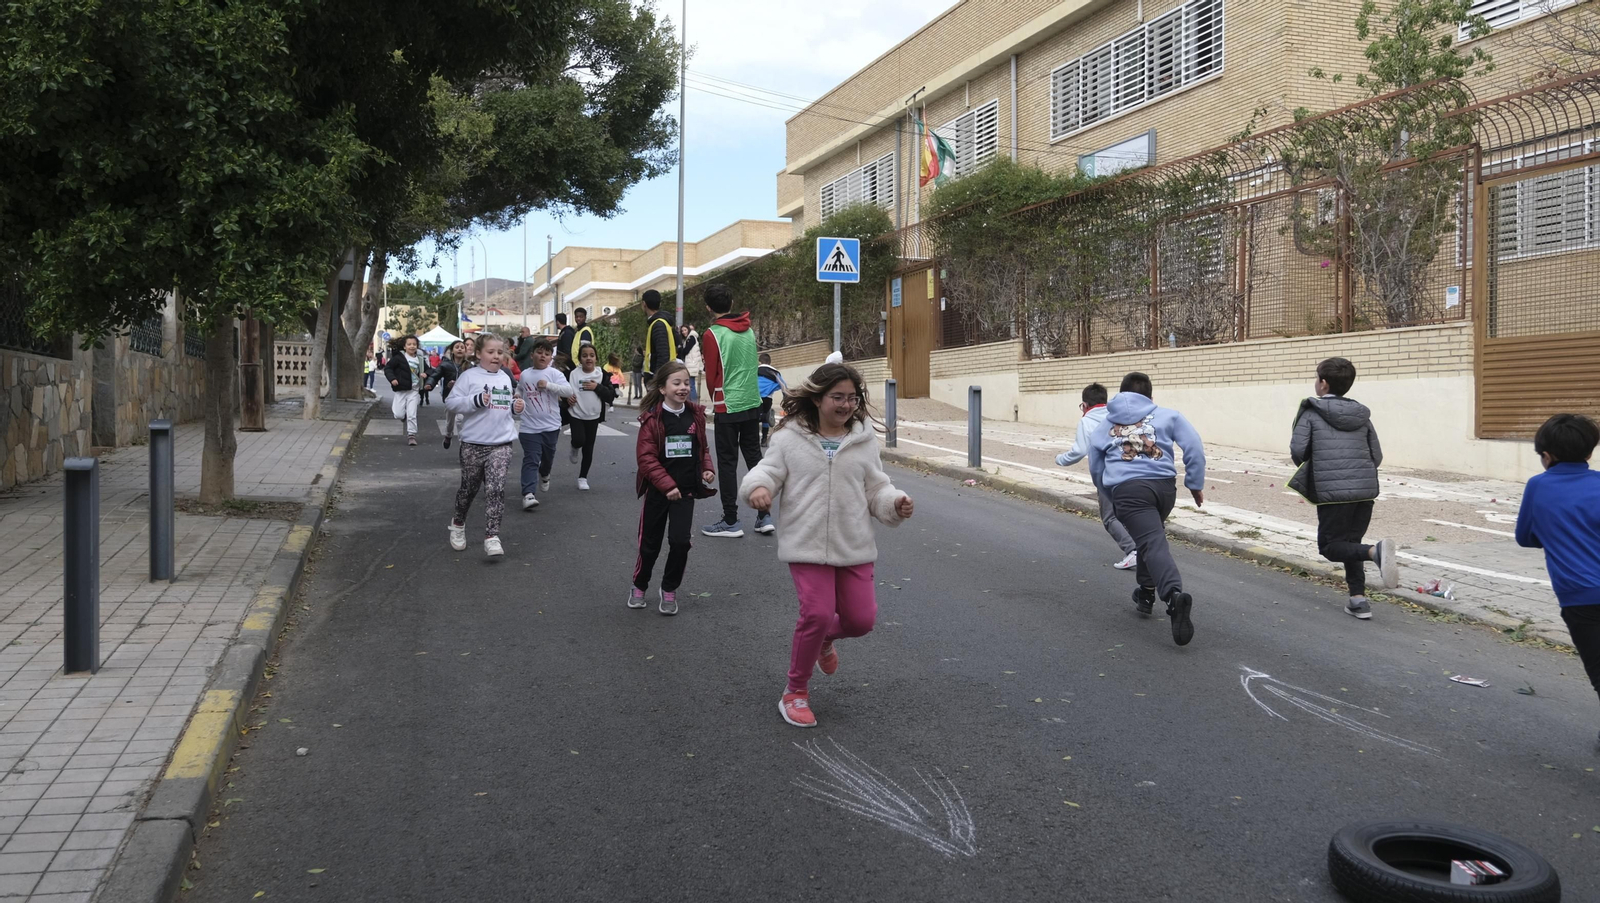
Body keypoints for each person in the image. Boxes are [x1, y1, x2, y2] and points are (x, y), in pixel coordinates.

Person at [740, 362, 914, 729]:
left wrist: (894, 502)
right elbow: (768, 471)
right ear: (818, 398)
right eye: (837, 397)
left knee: (861, 620)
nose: (846, 405)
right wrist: (759, 489)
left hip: (854, 544)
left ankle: (823, 641)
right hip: (806, 543)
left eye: (852, 398)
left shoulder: (864, 441)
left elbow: (877, 488)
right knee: (817, 613)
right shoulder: (789, 438)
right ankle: (795, 692)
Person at [1087, 372, 1207, 646]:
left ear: (1120, 396)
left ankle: (1174, 596)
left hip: (1129, 492)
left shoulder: (1105, 423)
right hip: (1164, 489)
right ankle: (1146, 592)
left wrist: (1110, 494)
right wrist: (1195, 483)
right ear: (1150, 398)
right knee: (1148, 539)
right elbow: (1194, 447)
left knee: (1151, 541)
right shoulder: (1168, 415)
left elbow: (1095, 465)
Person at [1288, 357, 1398, 620]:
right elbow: (1377, 456)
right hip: (1364, 491)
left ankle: (1375, 552)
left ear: (1323, 384)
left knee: (1330, 546)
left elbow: (1298, 451)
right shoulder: (1361, 414)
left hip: (1332, 492)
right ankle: (1358, 599)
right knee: (1351, 543)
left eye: (1317, 378)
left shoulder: (1311, 412)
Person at [1515, 413, 1600, 740]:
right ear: (1589, 453)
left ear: (1546, 456)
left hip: (1580, 597)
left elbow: (1526, 537)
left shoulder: (1539, 486)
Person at [630, 361, 716, 616]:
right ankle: (639, 585)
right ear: (662, 389)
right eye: (676, 383)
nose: (682, 388)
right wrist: (666, 486)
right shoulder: (652, 419)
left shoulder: (695, 415)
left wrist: (706, 469)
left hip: (686, 491)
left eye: (686, 383)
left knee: (680, 543)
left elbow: (702, 449)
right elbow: (646, 459)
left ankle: (669, 588)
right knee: (650, 545)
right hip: (658, 493)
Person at [699, 285, 772, 537]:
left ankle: (730, 520)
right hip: (752, 401)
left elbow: (712, 373)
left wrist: (715, 398)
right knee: (754, 458)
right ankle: (764, 516)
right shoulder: (749, 329)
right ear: (731, 303)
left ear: (709, 307)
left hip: (727, 404)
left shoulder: (712, 334)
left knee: (728, 462)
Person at [443, 334, 523, 558]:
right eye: (491, 352)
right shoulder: (469, 377)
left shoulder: (506, 377)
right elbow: (451, 402)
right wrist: (475, 400)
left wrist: (516, 407)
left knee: (496, 489)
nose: (496, 356)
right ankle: (458, 524)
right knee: (469, 489)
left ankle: (492, 536)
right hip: (473, 444)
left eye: (500, 352)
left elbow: (506, 404)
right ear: (478, 354)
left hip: (501, 443)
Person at [1056, 383, 1139, 570]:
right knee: (1130, 513)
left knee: (1110, 517)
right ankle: (1147, 547)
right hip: (1133, 471)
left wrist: (1059, 459)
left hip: (1108, 476)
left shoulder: (1086, 421)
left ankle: (1134, 550)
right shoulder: (1117, 416)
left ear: (1084, 405)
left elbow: (1079, 451)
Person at [515, 339, 574, 510]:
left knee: (547, 458)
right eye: (540, 352)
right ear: (532, 354)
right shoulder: (525, 374)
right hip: (529, 426)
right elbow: (520, 388)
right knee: (531, 459)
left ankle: (545, 473)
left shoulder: (555, 374)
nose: (543, 356)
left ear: (551, 358)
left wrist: (548, 385)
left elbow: (568, 391)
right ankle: (528, 494)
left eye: (547, 354)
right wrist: (517, 396)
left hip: (550, 426)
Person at [567, 344, 616, 490]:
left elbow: (610, 396)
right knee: (579, 439)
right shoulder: (573, 374)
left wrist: (597, 387)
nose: (588, 358)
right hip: (576, 414)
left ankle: (583, 477)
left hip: (593, 416)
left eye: (591, 355)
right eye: (584, 355)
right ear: (580, 359)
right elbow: (564, 390)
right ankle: (574, 446)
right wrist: (566, 399)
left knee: (589, 448)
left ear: (596, 358)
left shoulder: (602, 375)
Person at [384, 335, 426, 446]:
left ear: (417, 346)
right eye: (409, 344)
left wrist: (426, 374)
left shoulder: (420, 359)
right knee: (398, 414)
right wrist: (392, 379)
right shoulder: (399, 358)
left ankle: (411, 435)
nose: (412, 346)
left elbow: (430, 370)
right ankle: (403, 417)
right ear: (404, 346)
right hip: (401, 389)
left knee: (412, 413)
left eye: (414, 344)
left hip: (414, 390)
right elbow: (388, 368)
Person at [435, 341, 469, 449]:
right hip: (450, 397)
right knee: (450, 421)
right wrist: (447, 385)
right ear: (452, 350)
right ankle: (448, 435)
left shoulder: (469, 366)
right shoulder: (446, 364)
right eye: (457, 347)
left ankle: (462, 445)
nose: (459, 349)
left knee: (460, 419)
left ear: (465, 351)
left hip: (463, 398)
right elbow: (436, 375)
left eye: (462, 347)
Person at [641, 290, 676, 381]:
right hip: (667, 374)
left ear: (644, 304)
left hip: (660, 377)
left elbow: (663, 354)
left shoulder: (658, 324)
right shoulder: (662, 322)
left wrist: (657, 380)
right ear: (659, 304)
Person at [757, 353, 787, 448]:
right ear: (770, 362)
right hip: (767, 399)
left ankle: (753, 440)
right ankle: (764, 439)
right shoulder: (774, 372)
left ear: (759, 362)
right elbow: (783, 385)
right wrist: (785, 397)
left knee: (754, 418)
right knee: (765, 418)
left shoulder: (754, 370)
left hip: (755, 398)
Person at [684, 333, 704, 402]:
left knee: (691, 385)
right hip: (693, 365)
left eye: (685, 330)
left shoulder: (691, 338)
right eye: (682, 330)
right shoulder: (695, 338)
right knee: (691, 385)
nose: (684, 332)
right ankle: (693, 402)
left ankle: (693, 403)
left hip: (691, 365)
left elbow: (686, 350)